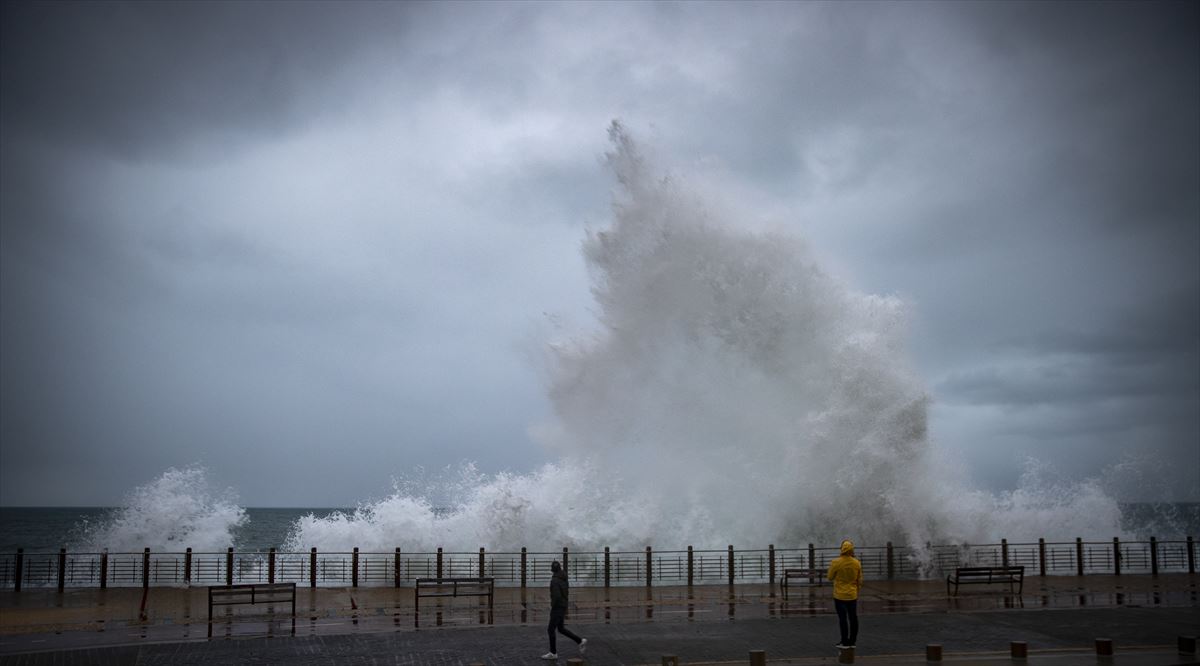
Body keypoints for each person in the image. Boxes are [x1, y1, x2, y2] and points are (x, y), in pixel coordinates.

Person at [542, 560, 586, 660]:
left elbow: (556, 596)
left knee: (550, 630)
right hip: (563, 605)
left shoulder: (554, 581)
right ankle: (580, 641)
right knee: (561, 629)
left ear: (552, 570)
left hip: (557, 608)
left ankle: (553, 653)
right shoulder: (564, 578)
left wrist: (553, 605)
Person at [826, 539, 862, 649]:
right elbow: (859, 581)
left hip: (839, 595)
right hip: (852, 595)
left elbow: (830, 577)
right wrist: (855, 591)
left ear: (842, 549)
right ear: (852, 550)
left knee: (843, 619)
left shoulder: (836, 562)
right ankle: (853, 641)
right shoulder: (857, 563)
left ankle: (844, 641)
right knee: (853, 618)